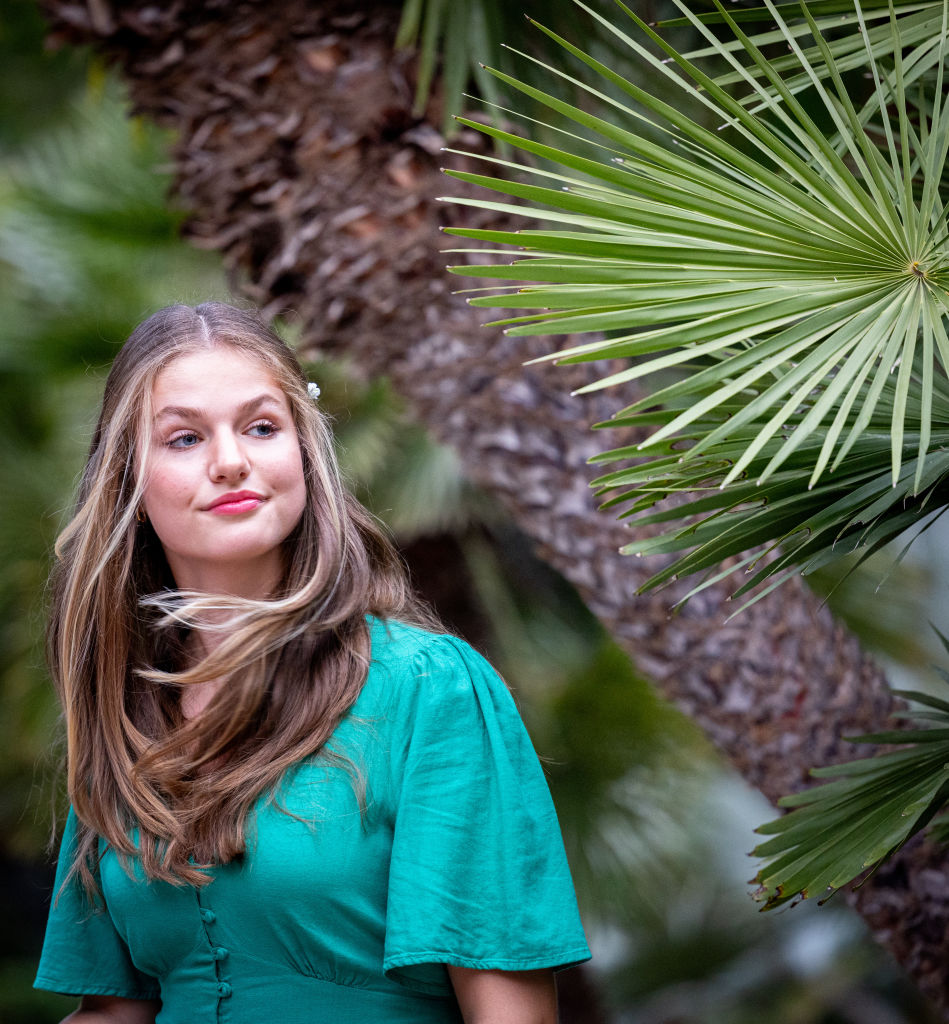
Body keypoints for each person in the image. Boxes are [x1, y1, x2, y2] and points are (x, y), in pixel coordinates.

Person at [34, 302, 590, 1024]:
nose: (230, 459)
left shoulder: (430, 689)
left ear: (303, 451)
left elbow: (508, 1014)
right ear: (130, 483)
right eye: (184, 437)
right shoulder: (123, 715)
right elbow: (112, 1012)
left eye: (261, 427)